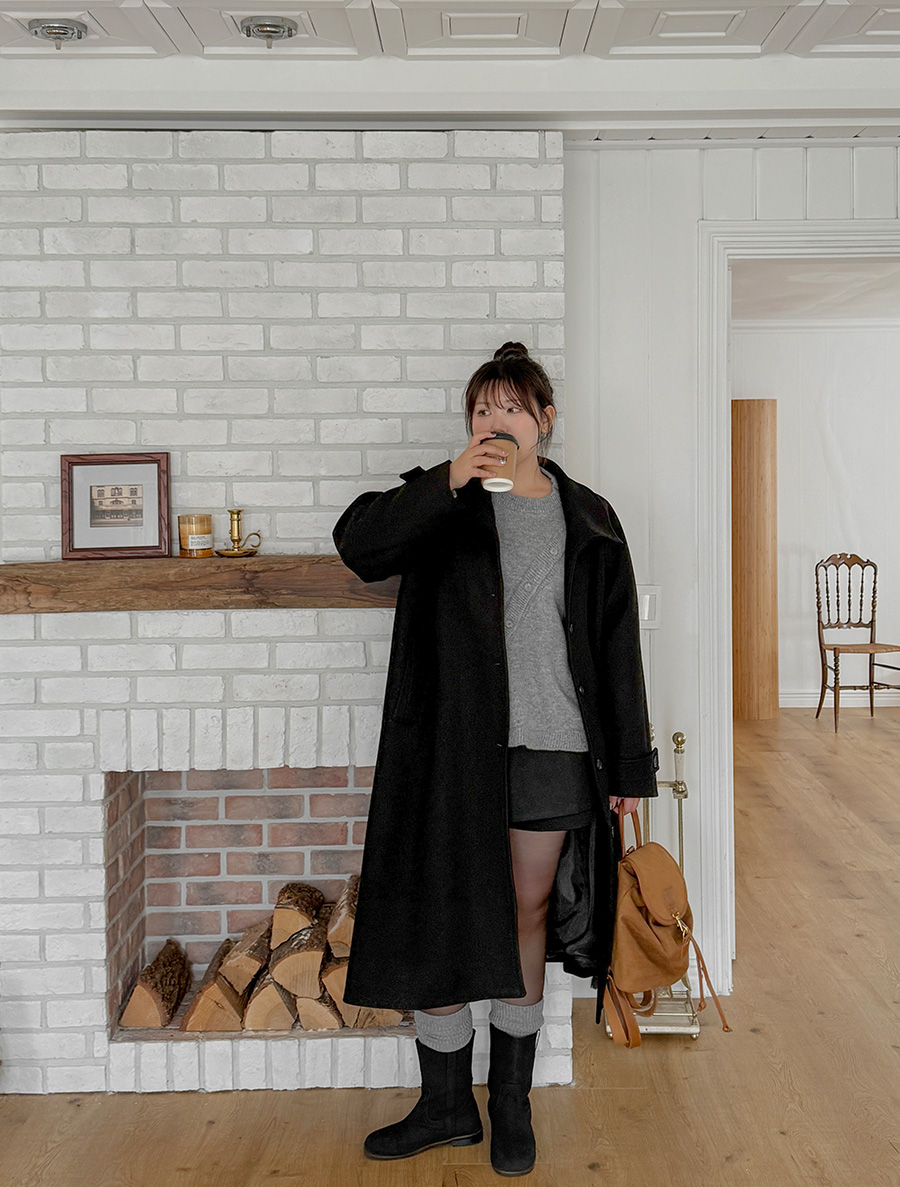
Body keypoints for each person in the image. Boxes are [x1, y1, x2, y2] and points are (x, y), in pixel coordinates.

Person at [332, 342, 658, 1177]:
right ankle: (446, 1104)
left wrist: (630, 767)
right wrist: (447, 479)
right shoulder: (443, 502)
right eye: (481, 408)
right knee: (442, 907)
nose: (494, 420)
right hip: (454, 747)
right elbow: (359, 544)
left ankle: (510, 1100)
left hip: (556, 745)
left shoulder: (591, 516)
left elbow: (618, 646)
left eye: (511, 406)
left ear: (545, 418)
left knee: (525, 910)